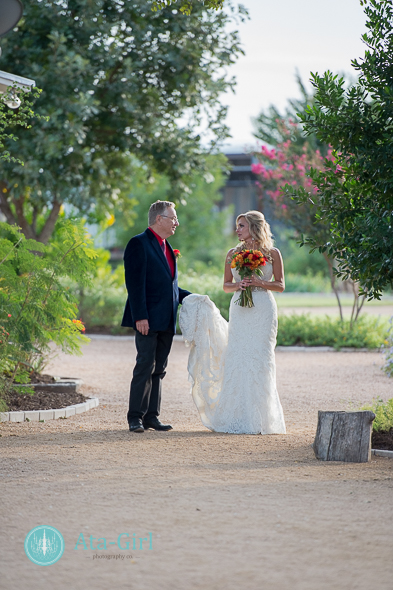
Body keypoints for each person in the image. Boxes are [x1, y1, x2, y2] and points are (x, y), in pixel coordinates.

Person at [179, 210, 286, 434]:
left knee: (261, 357)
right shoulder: (232, 253)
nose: (237, 230)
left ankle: (262, 419)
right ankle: (236, 415)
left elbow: (280, 284)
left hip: (263, 309)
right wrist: (239, 286)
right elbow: (226, 285)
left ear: (254, 228)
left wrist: (259, 282)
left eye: (241, 226)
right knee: (238, 355)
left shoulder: (273, 253)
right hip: (240, 308)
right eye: (237, 226)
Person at [122, 200, 191, 433]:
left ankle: (152, 416)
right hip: (147, 319)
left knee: (159, 368)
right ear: (159, 219)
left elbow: (168, 286)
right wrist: (140, 316)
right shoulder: (138, 244)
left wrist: (192, 298)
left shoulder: (167, 247)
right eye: (173, 218)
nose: (177, 223)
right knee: (144, 365)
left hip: (166, 319)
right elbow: (135, 284)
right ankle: (135, 417)